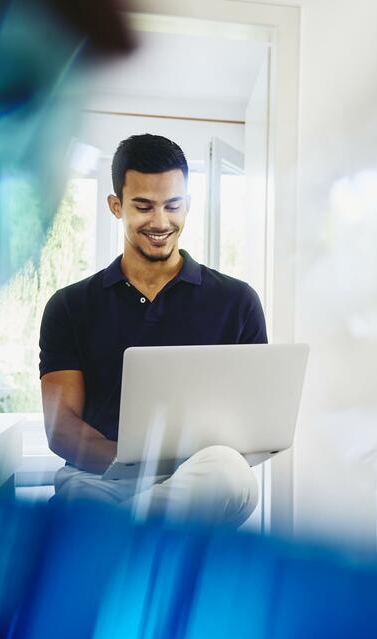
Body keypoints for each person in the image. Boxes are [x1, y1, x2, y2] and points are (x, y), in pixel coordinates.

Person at [39, 133, 264, 526]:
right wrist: (137, 467)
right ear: (115, 206)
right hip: (101, 480)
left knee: (228, 471)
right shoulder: (68, 306)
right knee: (79, 500)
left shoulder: (238, 301)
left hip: (201, 479)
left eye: (173, 206)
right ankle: (126, 538)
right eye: (143, 207)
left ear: (188, 206)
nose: (160, 222)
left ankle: (108, 540)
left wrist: (178, 469)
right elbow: (62, 429)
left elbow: (253, 426)